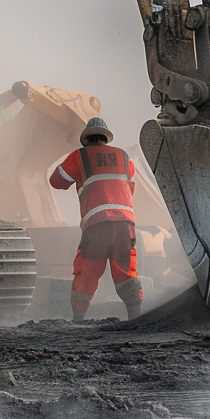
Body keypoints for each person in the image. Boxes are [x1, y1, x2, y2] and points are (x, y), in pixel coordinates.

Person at [49, 117, 142, 322]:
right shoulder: (125, 158)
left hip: (97, 224)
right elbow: (130, 189)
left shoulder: (80, 156)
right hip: (126, 223)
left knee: (87, 272)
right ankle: (136, 317)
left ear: (86, 140)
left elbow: (56, 181)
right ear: (105, 139)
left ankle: (78, 319)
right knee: (127, 270)